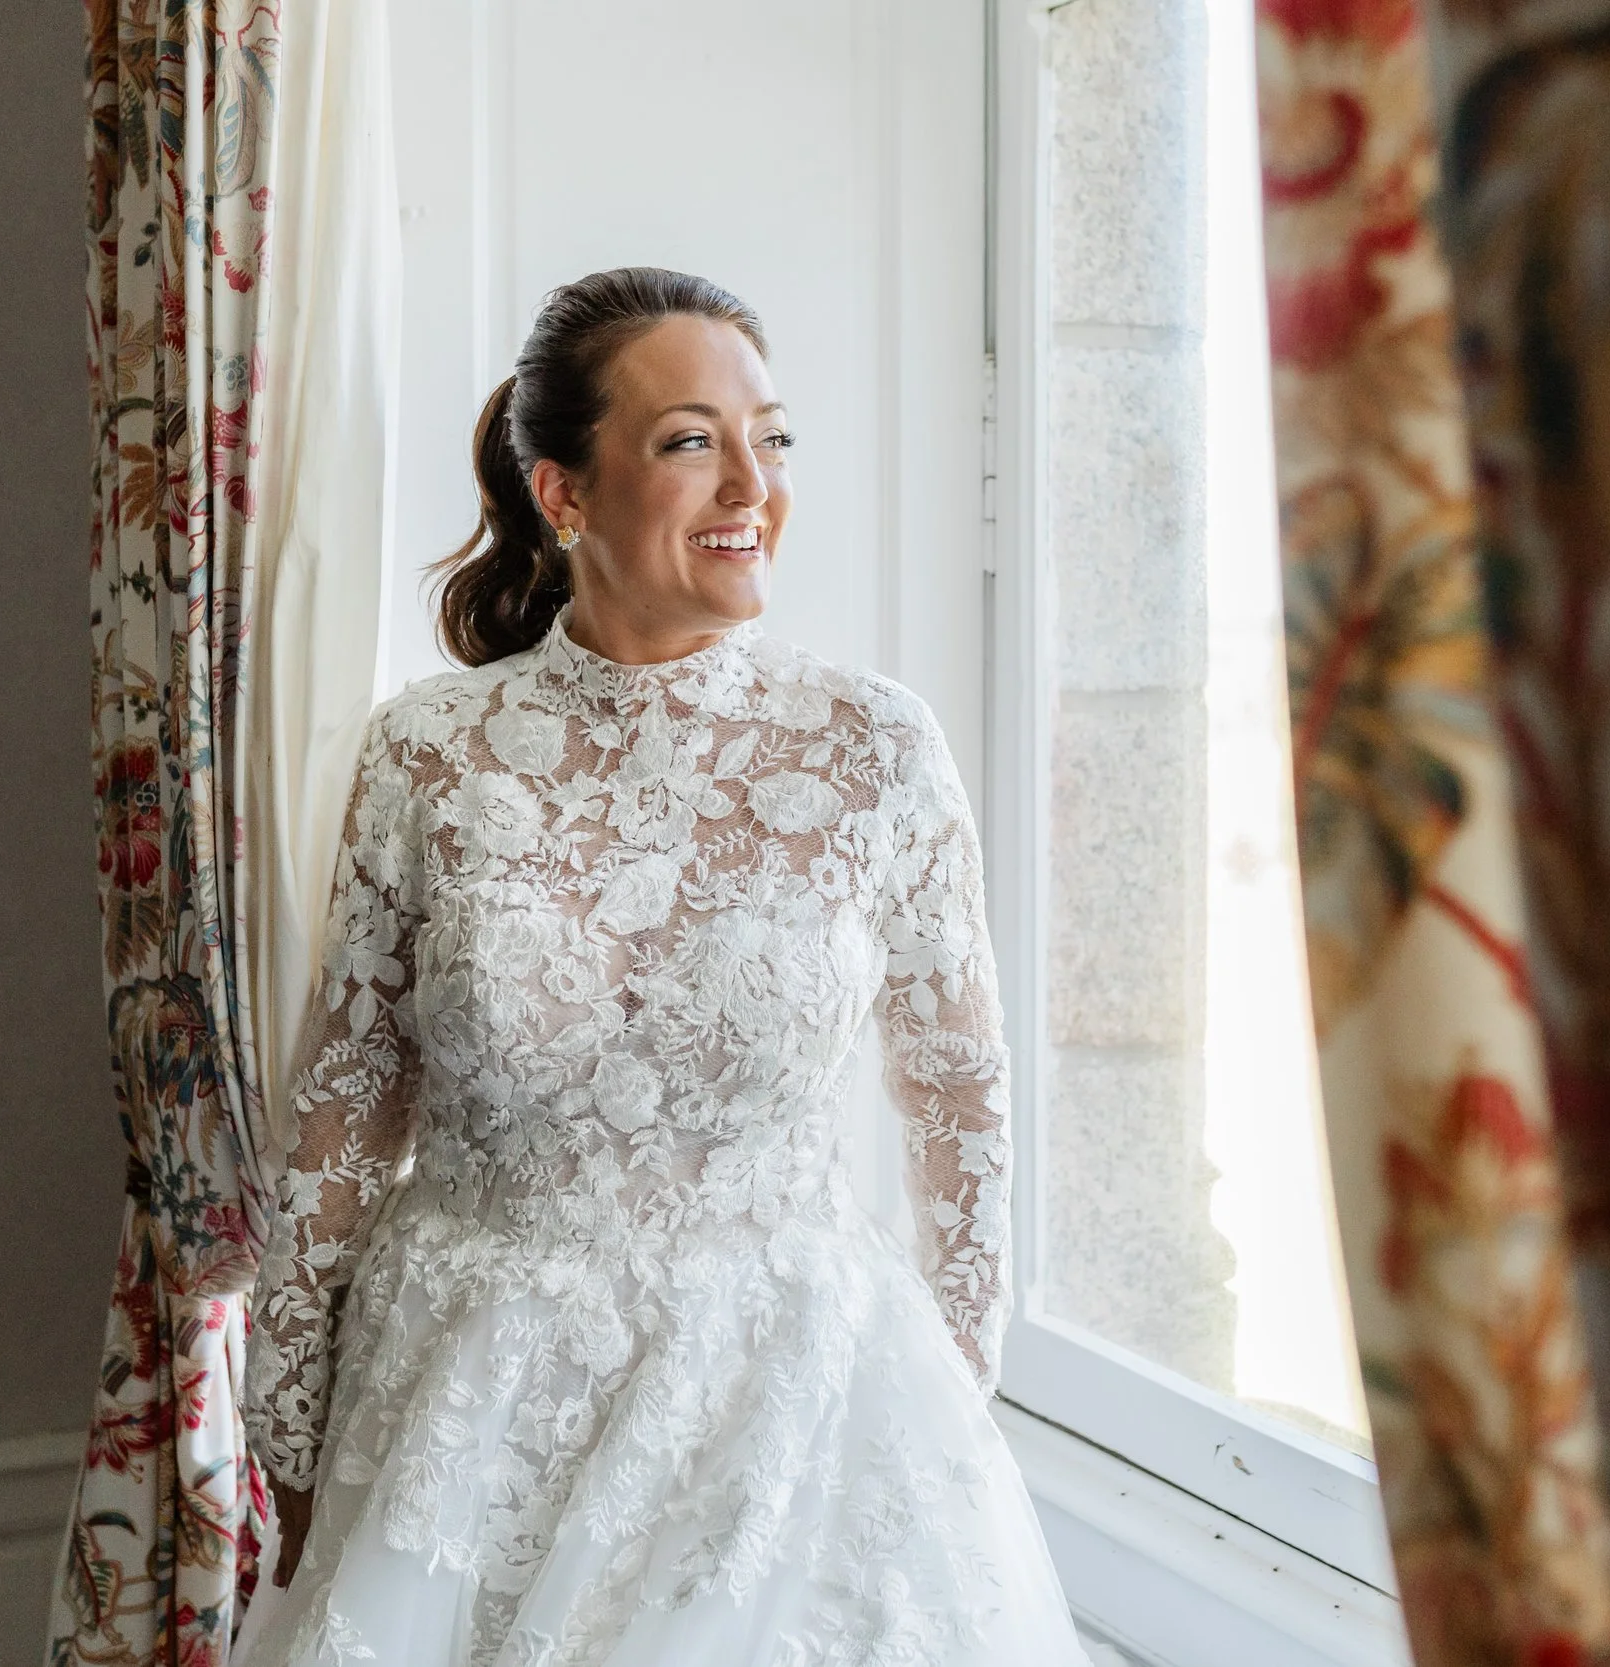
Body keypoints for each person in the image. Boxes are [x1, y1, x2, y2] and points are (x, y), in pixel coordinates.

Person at [238, 267, 1088, 1665]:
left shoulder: (875, 746)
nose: (754, 482)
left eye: (774, 436)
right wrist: (289, 1417)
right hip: (466, 1400)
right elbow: (345, 1107)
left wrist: (933, 1406)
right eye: (693, 440)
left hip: (790, 1411)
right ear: (564, 492)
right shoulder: (426, 753)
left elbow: (960, 1097)